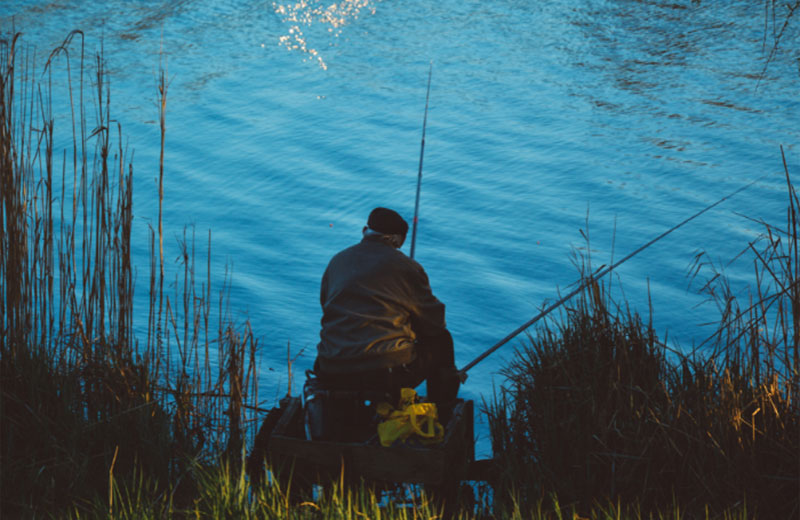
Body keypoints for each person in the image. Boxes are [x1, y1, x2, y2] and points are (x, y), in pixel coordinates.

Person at [312, 207, 460, 425]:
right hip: (384, 372)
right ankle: (441, 416)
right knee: (441, 341)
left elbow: (326, 305)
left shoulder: (337, 261)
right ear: (396, 240)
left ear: (365, 231)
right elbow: (434, 324)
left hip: (331, 368)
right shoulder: (407, 267)